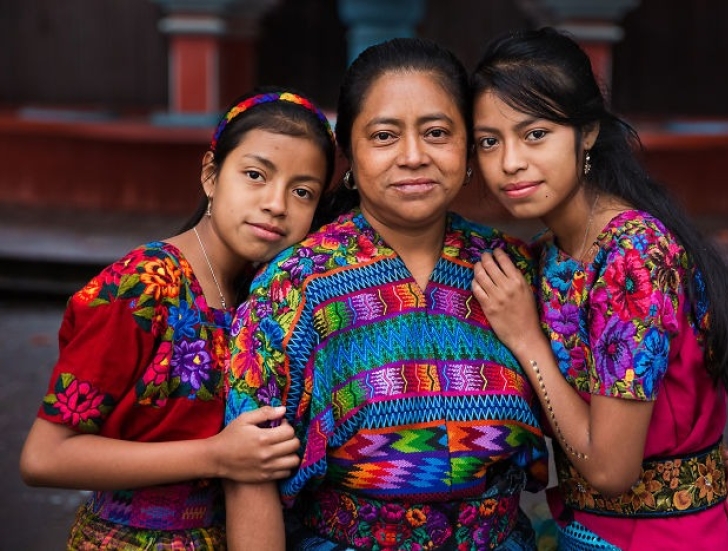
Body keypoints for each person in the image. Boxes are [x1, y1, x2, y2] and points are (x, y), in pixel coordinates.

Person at [222, 37, 551, 550]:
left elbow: (597, 413)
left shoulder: (514, 271)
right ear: (349, 153)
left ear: (468, 147)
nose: (414, 156)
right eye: (384, 136)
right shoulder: (296, 287)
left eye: (437, 133)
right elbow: (251, 475)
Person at [469, 27, 728, 550]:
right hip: (595, 532)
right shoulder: (548, 252)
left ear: (586, 132)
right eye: (489, 142)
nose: (509, 162)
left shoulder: (632, 256)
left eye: (535, 134)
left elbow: (609, 469)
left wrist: (526, 338)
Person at [18, 85, 337, 550]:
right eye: (255, 175)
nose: (276, 203)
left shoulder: (269, 296)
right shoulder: (143, 287)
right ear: (211, 174)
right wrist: (216, 456)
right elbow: (45, 457)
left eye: (302, 191)